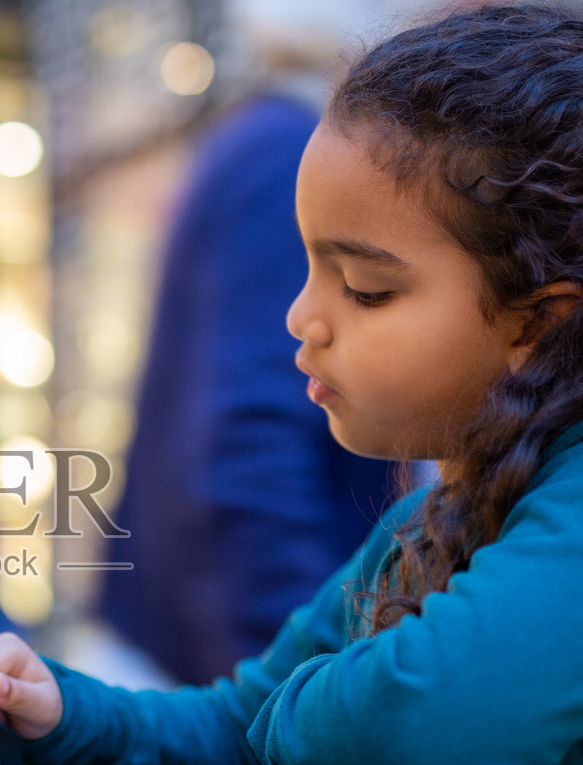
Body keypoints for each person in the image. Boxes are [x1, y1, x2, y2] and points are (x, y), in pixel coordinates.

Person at [0, 4, 583, 765]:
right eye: (308, 269)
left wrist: (307, 702)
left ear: (541, 321)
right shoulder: (440, 515)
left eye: (367, 290)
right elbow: (235, 718)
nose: (302, 318)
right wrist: (62, 713)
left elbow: (410, 723)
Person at [97, 92, 398, 686]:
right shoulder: (294, 156)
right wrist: (306, 691)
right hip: (227, 683)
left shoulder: (266, 145)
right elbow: (246, 448)